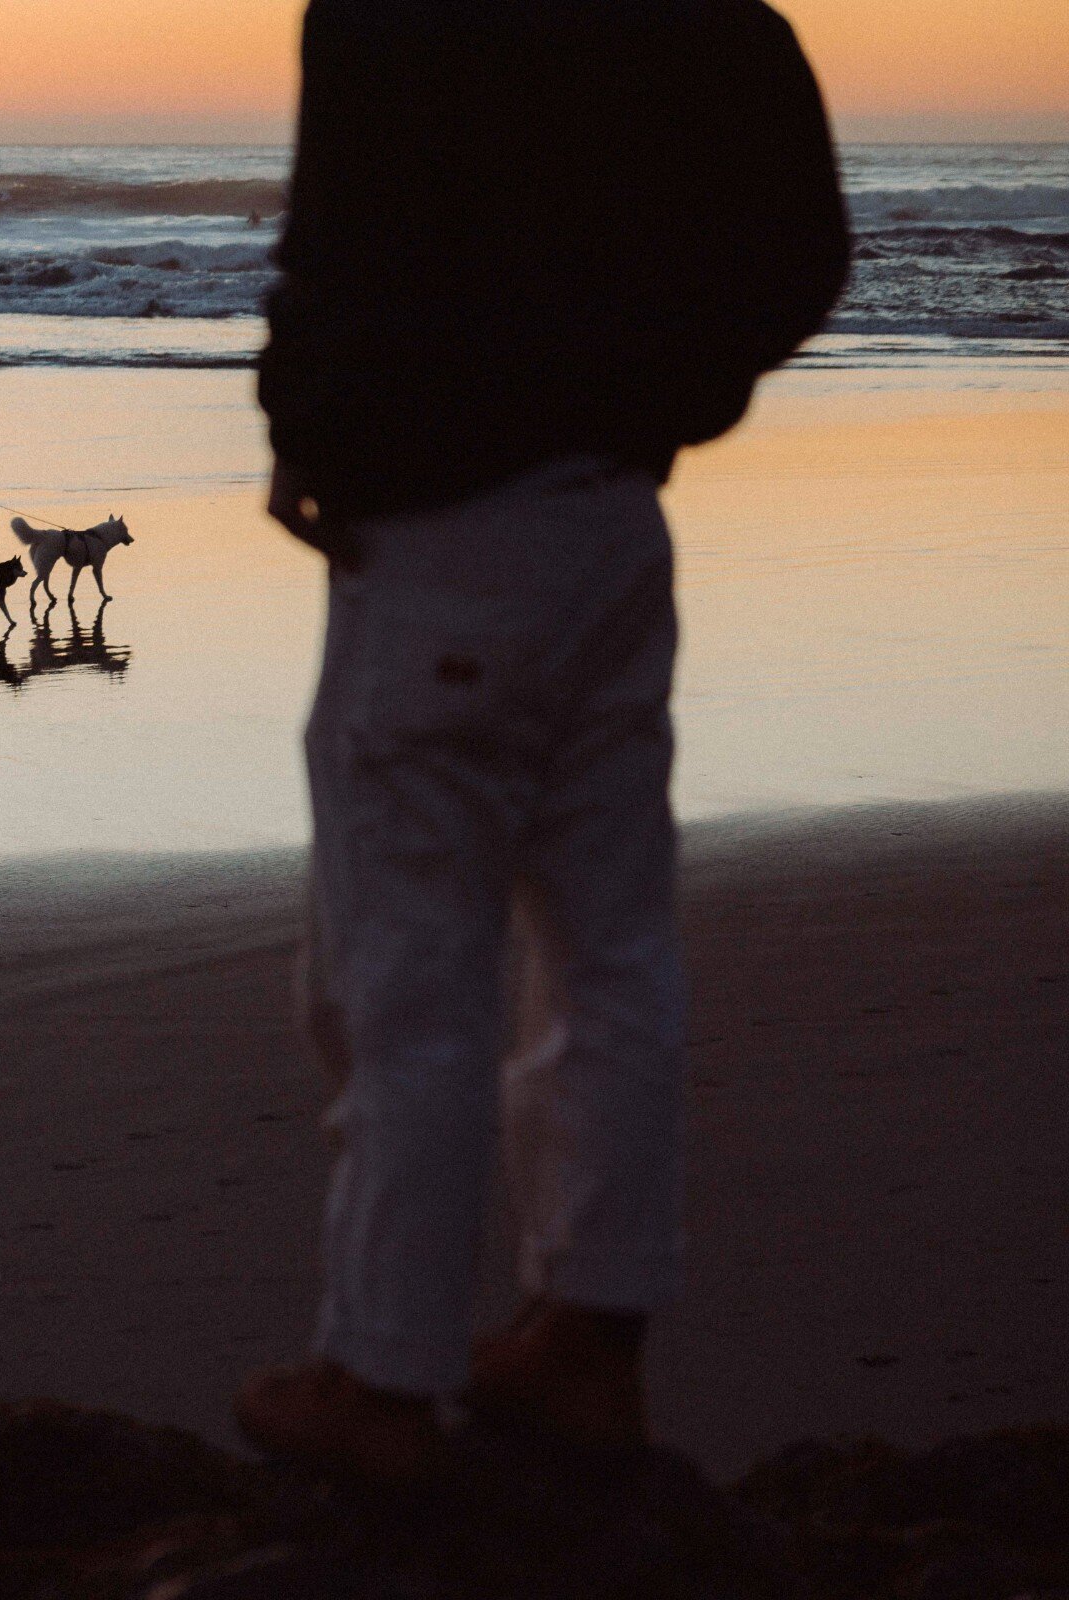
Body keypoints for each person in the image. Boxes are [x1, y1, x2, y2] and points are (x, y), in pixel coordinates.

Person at [238, 0, 850, 1483]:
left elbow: (345, 251)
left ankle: (383, 1373)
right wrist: (666, 392)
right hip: (608, 519)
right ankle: (590, 1340)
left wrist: (316, 436)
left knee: (403, 968)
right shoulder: (701, 23)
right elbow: (803, 251)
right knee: (610, 945)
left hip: (445, 533)